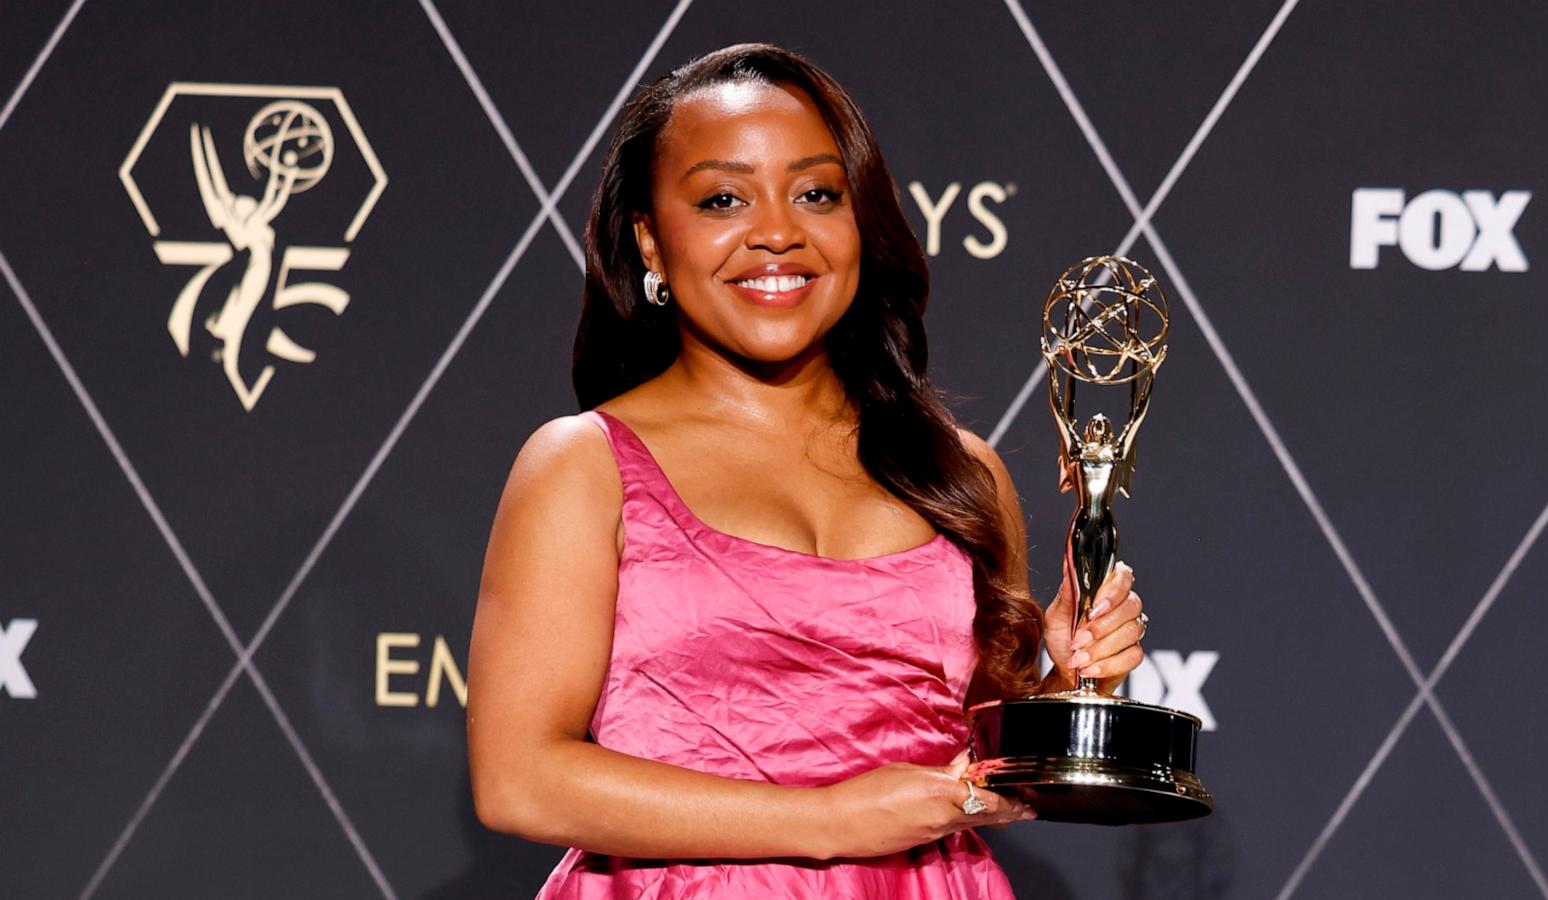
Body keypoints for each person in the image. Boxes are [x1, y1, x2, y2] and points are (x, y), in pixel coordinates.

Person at [466, 42, 1149, 898]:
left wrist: (1073, 687)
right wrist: (827, 821)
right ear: (649, 237)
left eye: (817, 194)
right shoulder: (584, 465)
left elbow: (971, 780)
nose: (778, 232)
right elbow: (519, 778)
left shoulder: (958, 473)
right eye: (723, 198)